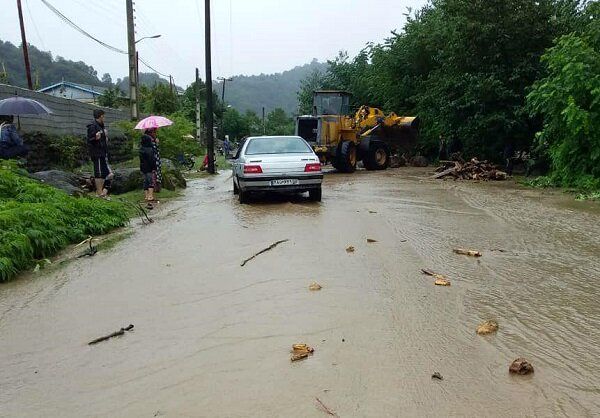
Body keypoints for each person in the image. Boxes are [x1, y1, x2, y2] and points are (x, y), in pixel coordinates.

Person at [86, 109, 110, 198]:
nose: (104, 118)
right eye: (104, 116)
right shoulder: (92, 126)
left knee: (104, 172)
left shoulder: (101, 126)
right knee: (98, 172)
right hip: (97, 153)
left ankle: (100, 192)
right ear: (101, 116)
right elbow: (89, 139)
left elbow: (103, 140)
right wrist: (95, 138)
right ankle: (99, 193)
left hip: (103, 152)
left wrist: (105, 137)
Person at [139, 131, 157, 204]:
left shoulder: (141, 149)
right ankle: (150, 196)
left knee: (145, 181)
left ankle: (146, 196)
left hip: (143, 167)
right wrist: (154, 168)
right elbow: (152, 160)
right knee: (150, 181)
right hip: (149, 167)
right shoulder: (150, 150)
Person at [145, 128, 163, 193]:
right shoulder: (149, 141)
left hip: (156, 160)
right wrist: (156, 143)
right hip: (152, 160)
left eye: (155, 132)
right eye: (153, 132)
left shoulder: (153, 140)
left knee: (157, 173)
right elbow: (153, 151)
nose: (155, 133)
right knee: (153, 174)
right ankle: (154, 188)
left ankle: (157, 187)